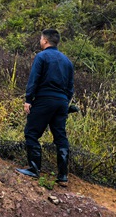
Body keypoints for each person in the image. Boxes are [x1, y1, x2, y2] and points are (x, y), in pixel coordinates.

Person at [16, 29, 74, 186]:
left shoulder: (41, 56)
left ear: (46, 41)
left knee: (31, 132)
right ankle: (63, 176)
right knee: (60, 137)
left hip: (44, 99)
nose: (40, 41)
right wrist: (64, 102)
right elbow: (70, 87)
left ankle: (34, 169)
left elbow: (34, 79)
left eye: (41, 38)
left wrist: (28, 99)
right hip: (62, 102)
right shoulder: (67, 61)